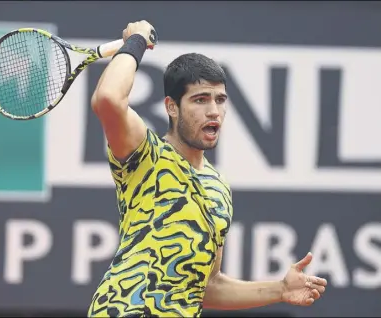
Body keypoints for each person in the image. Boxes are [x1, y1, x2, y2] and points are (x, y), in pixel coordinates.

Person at [87, 20, 327, 317]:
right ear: (171, 106)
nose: (213, 111)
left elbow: (207, 286)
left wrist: (280, 289)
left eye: (220, 100)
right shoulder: (144, 153)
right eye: (200, 100)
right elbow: (108, 99)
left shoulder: (219, 188)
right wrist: (135, 42)